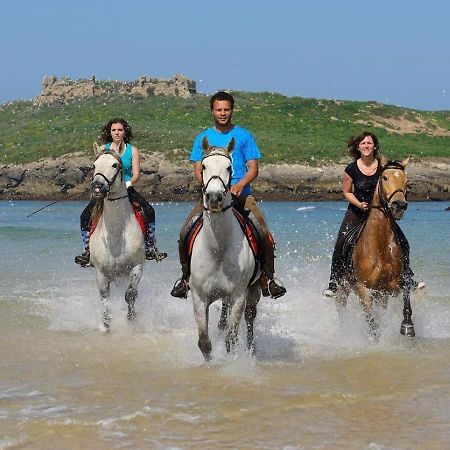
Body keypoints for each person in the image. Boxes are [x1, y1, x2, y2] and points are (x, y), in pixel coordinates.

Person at [170, 91, 287, 300]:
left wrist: (240, 184)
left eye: (226, 109)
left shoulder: (244, 136)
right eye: (218, 110)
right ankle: (185, 279)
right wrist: (210, 187)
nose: (222, 113)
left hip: (241, 196)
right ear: (212, 111)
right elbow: (198, 171)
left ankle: (268, 279)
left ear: (232, 110)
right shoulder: (203, 138)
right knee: (184, 232)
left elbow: (253, 168)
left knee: (264, 232)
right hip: (210, 196)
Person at [323, 131, 425, 297]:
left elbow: (393, 182)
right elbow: (347, 192)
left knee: (403, 242)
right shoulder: (351, 169)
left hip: (380, 212)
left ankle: (407, 277)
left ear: (375, 146)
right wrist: (359, 203)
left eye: (369, 143)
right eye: (363, 143)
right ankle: (334, 282)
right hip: (357, 211)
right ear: (358, 147)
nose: (366, 146)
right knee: (341, 242)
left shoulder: (382, 167)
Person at [75, 118, 167, 266]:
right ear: (110, 132)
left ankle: (150, 247)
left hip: (127, 188)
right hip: (106, 191)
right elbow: (99, 170)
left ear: (125, 132)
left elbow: (136, 174)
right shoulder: (102, 149)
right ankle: (88, 251)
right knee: (85, 216)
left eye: (120, 130)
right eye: (114, 130)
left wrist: (127, 184)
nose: (117, 133)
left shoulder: (132, 150)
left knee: (149, 211)